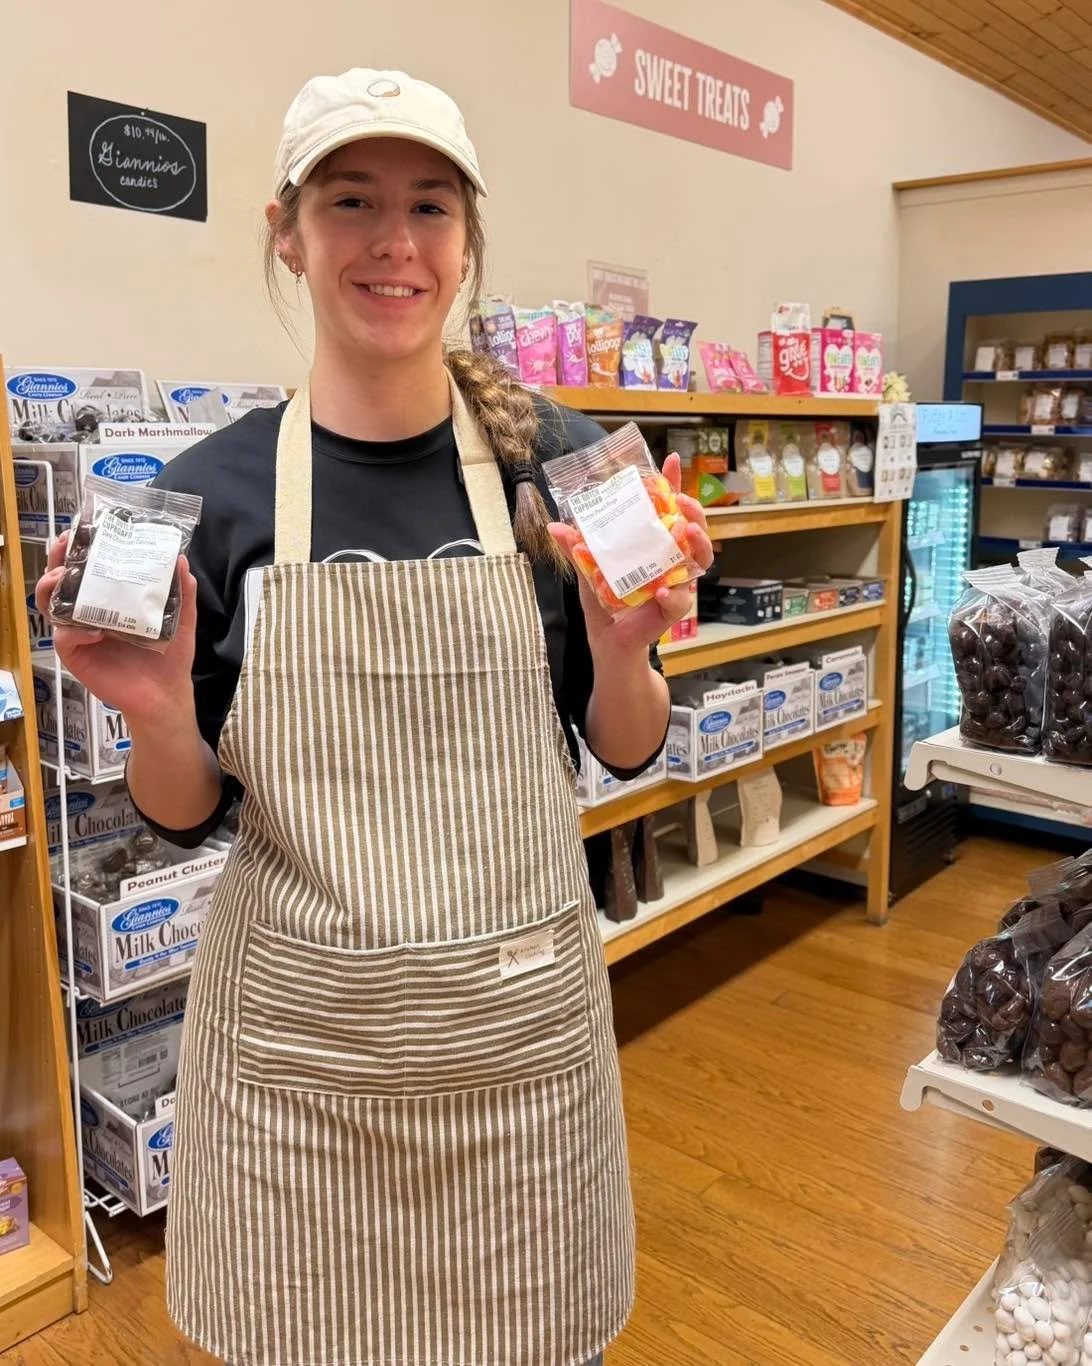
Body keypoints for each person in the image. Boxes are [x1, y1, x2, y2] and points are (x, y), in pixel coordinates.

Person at [37, 68, 713, 1366]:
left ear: (466, 240)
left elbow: (626, 744)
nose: (393, 242)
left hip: (520, 1077)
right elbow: (181, 816)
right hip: (300, 1082)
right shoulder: (202, 496)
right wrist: (158, 711)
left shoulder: (564, 469)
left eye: (428, 206)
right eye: (352, 201)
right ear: (287, 230)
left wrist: (628, 648)